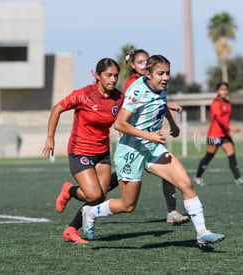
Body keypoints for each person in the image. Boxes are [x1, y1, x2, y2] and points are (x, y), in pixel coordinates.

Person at [82, 55, 225, 247]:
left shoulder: (161, 87)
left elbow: (160, 103)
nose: (165, 77)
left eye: (167, 73)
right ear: (148, 74)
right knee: (128, 205)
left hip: (153, 148)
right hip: (131, 151)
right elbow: (120, 124)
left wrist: (172, 123)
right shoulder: (137, 91)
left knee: (186, 183)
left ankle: (202, 232)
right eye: (160, 73)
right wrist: (149, 135)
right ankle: (90, 212)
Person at [42, 58, 124, 244]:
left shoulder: (119, 98)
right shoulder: (83, 94)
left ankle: (71, 230)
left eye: (116, 76)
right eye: (108, 75)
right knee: (93, 194)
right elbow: (57, 109)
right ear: (97, 75)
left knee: (100, 197)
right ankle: (69, 191)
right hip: (80, 151)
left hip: (102, 152)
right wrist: (50, 137)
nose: (113, 79)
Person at [114, 47, 189, 225]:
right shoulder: (134, 83)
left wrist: (171, 121)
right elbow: (127, 114)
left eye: (146, 61)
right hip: (133, 143)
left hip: (152, 142)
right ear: (132, 65)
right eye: (140, 62)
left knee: (171, 174)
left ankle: (172, 211)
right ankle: (93, 205)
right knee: (124, 199)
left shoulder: (159, 79)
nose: (144, 64)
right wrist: (145, 134)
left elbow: (159, 102)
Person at [194, 82, 243, 186]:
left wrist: (228, 129)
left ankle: (238, 179)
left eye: (226, 89)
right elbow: (218, 118)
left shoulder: (228, 103)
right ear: (217, 91)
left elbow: (225, 118)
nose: (224, 91)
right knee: (209, 156)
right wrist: (231, 126)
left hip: (225, 135)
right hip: (214, 135)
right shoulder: (216, 103)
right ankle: (198, 177)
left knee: (232, 156)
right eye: (222, 89)